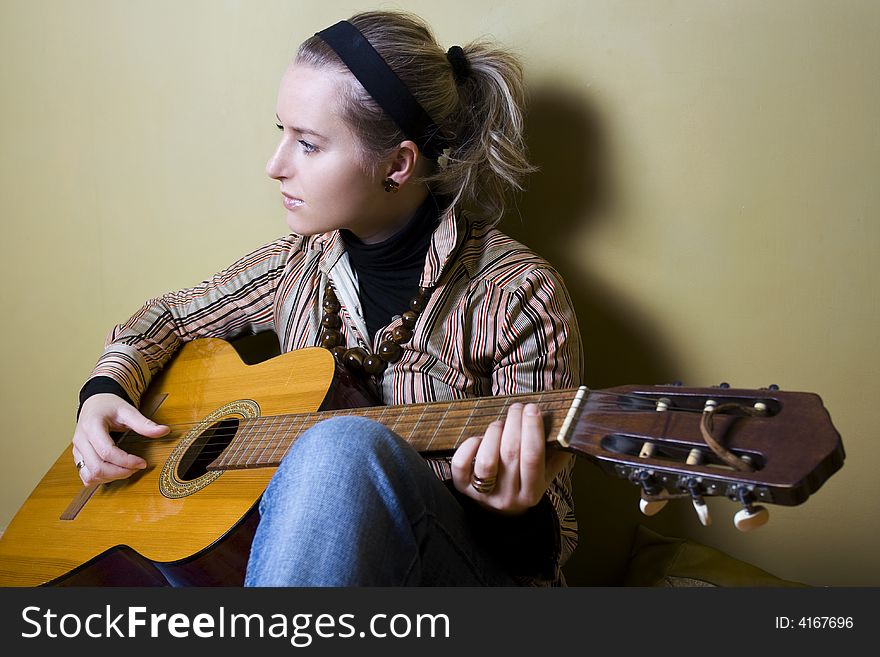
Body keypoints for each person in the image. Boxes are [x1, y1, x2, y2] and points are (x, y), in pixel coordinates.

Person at [71, 10, 583, 586]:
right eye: (280, 131)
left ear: (396, 164)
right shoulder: (297, 264)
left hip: (458, 580)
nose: (275, 166)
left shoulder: (516, 294)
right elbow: (166, 318)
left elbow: (549, 549)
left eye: (308, 145)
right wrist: (104, 390)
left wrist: (513, 509)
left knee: (341, 444)